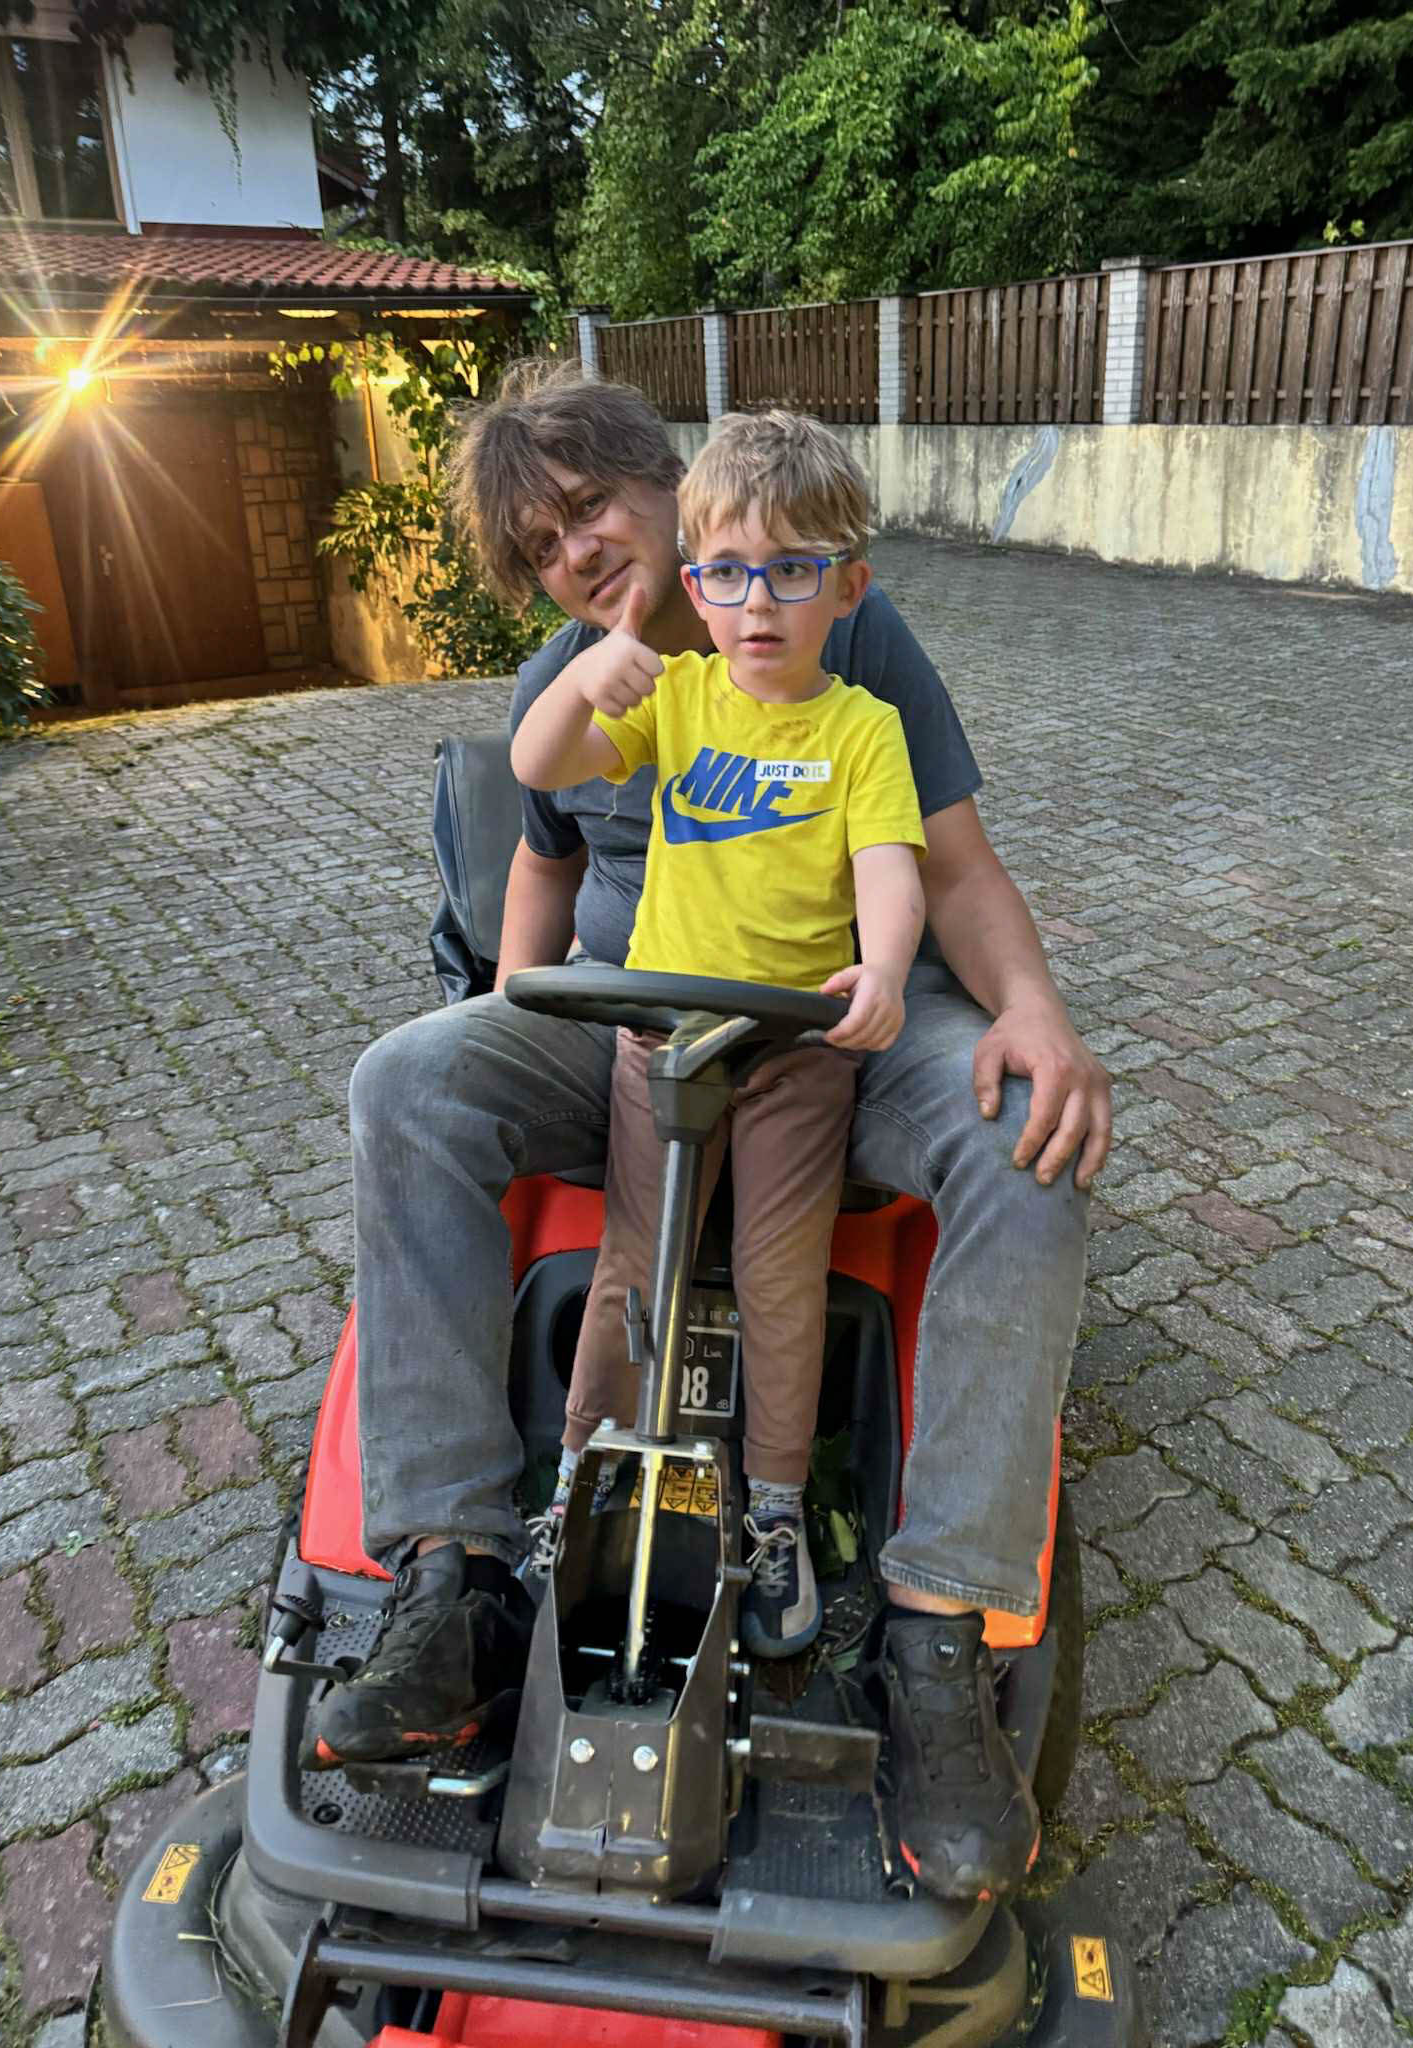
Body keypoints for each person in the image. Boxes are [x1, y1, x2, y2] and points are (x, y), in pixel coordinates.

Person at [314, 359, 1112, 1903]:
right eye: (540, 545)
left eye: (588, 508)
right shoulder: (580, 677)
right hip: (631, 1022)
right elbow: (541, 861)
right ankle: (455, 1581)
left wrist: (1032, 1009)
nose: (573, 552)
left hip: (838, 1022)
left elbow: (949, 862)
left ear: (666, 488)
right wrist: (507, 1008)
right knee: (407, 1081)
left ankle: (939, 1633)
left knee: (1029, 1141)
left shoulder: (842, 630)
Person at [510, 409, 926, 1659]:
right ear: (696, 586)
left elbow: (891, 866)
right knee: (633, 1267)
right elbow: (539, 764)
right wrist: (583, 679)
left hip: (797, 1054)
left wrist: (884, 965)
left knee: (779, 1277)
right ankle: (580, 1477)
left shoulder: (862, 728)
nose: (760, 603)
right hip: (664, 1046)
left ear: (847, 587)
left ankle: (777, 1509)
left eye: (793, 571)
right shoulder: (676, 697)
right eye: (732, 574)